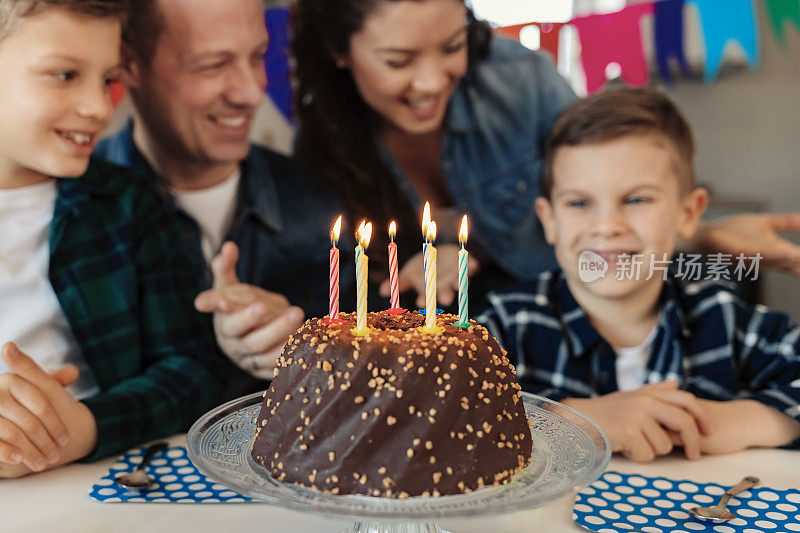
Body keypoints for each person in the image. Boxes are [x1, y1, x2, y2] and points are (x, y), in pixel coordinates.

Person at [291, 0, 800, 315]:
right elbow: (341, 301)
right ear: (340, 50)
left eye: (452, 46)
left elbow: (602, 188)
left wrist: (701, 234)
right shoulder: (321, 148)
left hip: (571, 310)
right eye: (398, 61)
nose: (431, 81)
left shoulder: (521, 82)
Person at [477, 88, 800, 463]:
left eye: (636, 199)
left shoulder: (723, 317)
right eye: (579, 203)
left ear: (689, 213)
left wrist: (749, 418)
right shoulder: (504, 324)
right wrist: (574, 421)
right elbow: (437, 419)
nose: (607, 226)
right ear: (549, 220)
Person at [0, 0, 226, 478]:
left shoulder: (128, 205)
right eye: (64, 75)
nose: (98, 108)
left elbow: (194, 368)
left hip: (96, 480)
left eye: (107, 79)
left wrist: (85, 426)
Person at [94, 0, 353, 386]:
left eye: (258, 56)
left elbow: (363, 377)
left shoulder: (318, 198)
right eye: (213, 65)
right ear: (128, 64)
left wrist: (309, 348)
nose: (252, 93)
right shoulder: (76, 211)